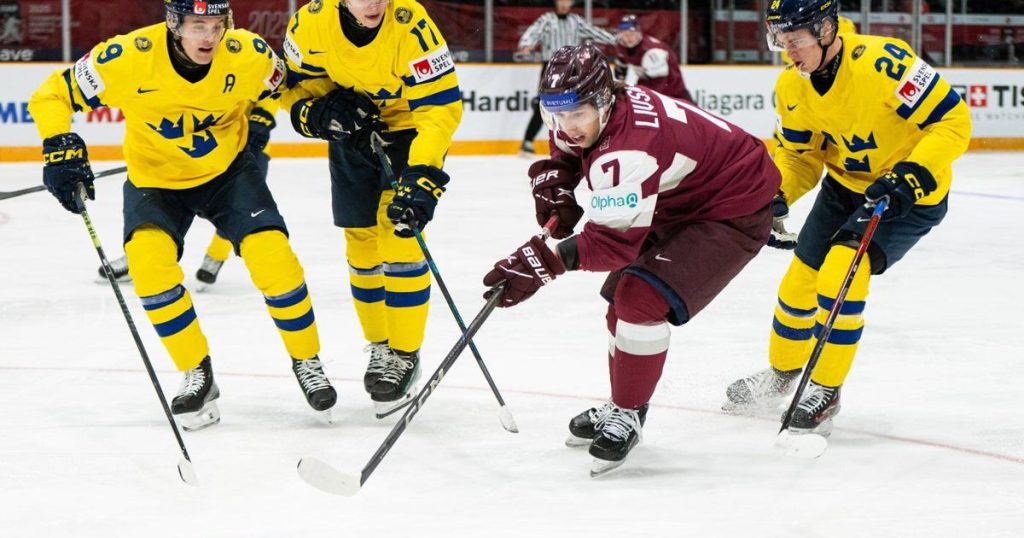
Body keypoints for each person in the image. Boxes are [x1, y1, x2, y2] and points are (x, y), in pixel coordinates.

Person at [29, 0, 338, 431]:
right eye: (197, 26)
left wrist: (316, 110)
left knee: (275, 258)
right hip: (155, 181)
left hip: (227, 173)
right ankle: (197, 371)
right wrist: (59, 143)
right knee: (149, 267)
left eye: (216, 25)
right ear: (174, 24)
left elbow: (286, 89)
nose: (208, 37)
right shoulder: (128, 57)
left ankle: (307, 360)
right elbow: (52, 94)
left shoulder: (247, 52)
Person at [482, 43, 780, 475]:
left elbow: (612, 243)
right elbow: (566, 147)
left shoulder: (629, 150)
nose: (566, 126)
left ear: (604, 100)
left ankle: (628, 409)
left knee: (640, 298)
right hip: (681, 195)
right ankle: (625, 402)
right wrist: (558, 180)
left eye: (576, 114)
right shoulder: (593, 113)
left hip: (732, 206)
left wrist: (543, 261)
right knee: (621, 298)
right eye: (556, 115)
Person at [724, 0, 970, 444]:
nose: (787, 50)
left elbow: (953, 121)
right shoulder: (791, 87)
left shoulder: (884, 61)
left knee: (841, 272)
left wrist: (911, 175)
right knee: (800, 282)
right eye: (780, 39)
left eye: (795, 38)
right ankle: (783, 375)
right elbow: (801, 157)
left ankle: (826, 388)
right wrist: (775, 193)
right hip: (845, 189)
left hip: (910, 193)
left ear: (824, 28)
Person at [280, 0, 462, 418]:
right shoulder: (310, 23)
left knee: (398, 234)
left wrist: (422, 171)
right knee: (360, 242)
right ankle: (380, 347)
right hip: (353, 132)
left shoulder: (410, 23)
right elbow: (294, 90)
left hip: (409, 131)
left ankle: (404, 353)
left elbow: (440, 109)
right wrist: (319, 110)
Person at [97, 103, 279, 290]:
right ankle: (138, 258)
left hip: (239, 144)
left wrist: (261, 117)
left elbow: (272, 86)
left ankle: (215, 257)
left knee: (240, 208)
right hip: (188, 144)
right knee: (159, 204)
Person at [516, 0, 616, 156]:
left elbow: (594, 32)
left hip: (575, 70)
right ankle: (528, 141)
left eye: (567, 0)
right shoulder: (547, 19)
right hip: (552, 69)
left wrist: (616, 40)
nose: (564, 3)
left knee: (578, 104)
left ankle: (576, 141)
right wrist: (526, 44)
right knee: (546, 104)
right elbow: (533, 32)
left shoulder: (575, 20)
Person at [613, 14, 692, 102]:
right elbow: (621, 68)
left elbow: (659, 84)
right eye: (625, 34)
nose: (629, 38)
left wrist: (643, 98)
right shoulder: (621, 46)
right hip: (647, 86)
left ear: (639, 33)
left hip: (674, 93)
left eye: (632, 33)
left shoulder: (652, 51)